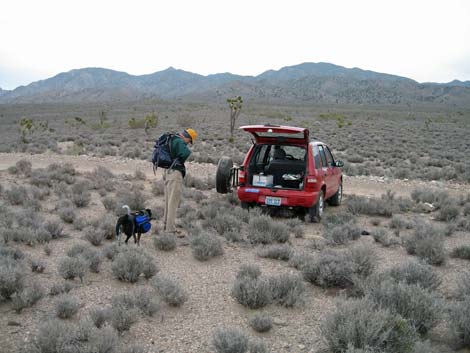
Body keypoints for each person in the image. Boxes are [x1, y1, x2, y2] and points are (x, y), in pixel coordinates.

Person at [163, 128, 197, 235]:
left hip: (167, 171)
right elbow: (186, 153)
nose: (188, 144)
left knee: (168, 201)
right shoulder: (178, 141)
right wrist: (180, 160)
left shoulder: (172, 138)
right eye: (189, 141)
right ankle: (170, 229)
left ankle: (166, 225)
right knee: (173, 202)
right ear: (187, 137)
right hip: (175, 174)